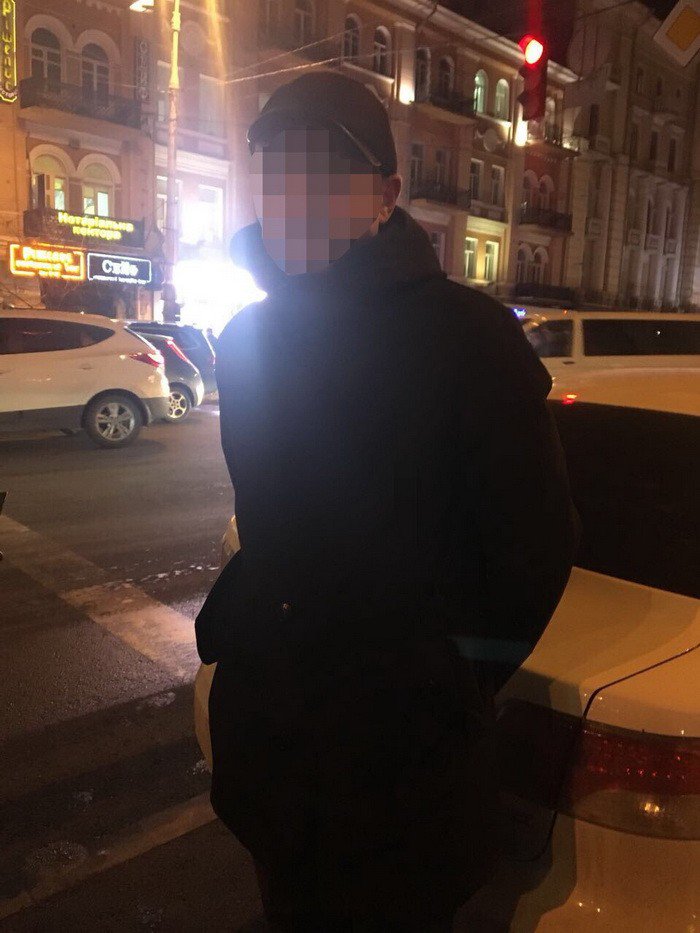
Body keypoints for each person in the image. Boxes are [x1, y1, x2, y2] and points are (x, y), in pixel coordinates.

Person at [196, 71, 578, 932]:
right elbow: (271, 521)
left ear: (385, 195)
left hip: (403, 774)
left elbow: (535, 548)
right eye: (277, 171)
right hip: (276, 758)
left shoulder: (469, 338)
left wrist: (449, 679)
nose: (296, 196)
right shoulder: (249, 337)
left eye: (328, 172)